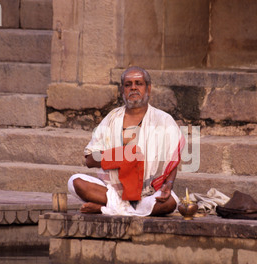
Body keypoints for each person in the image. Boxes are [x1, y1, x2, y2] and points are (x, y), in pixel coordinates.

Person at [68, 66, 185, 216]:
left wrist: (169, 184)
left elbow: (172, 162)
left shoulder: (164, 120)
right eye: (128, 85)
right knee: (75, 182)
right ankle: (123, 209)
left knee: (171, 203)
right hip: (113, 192)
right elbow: (90, 160)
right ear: (123, 90)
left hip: (149, 194)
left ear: (148, 89)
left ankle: (106, 209)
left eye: (139, 83)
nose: (133, 88)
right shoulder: (111, 118)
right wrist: (121, 156)